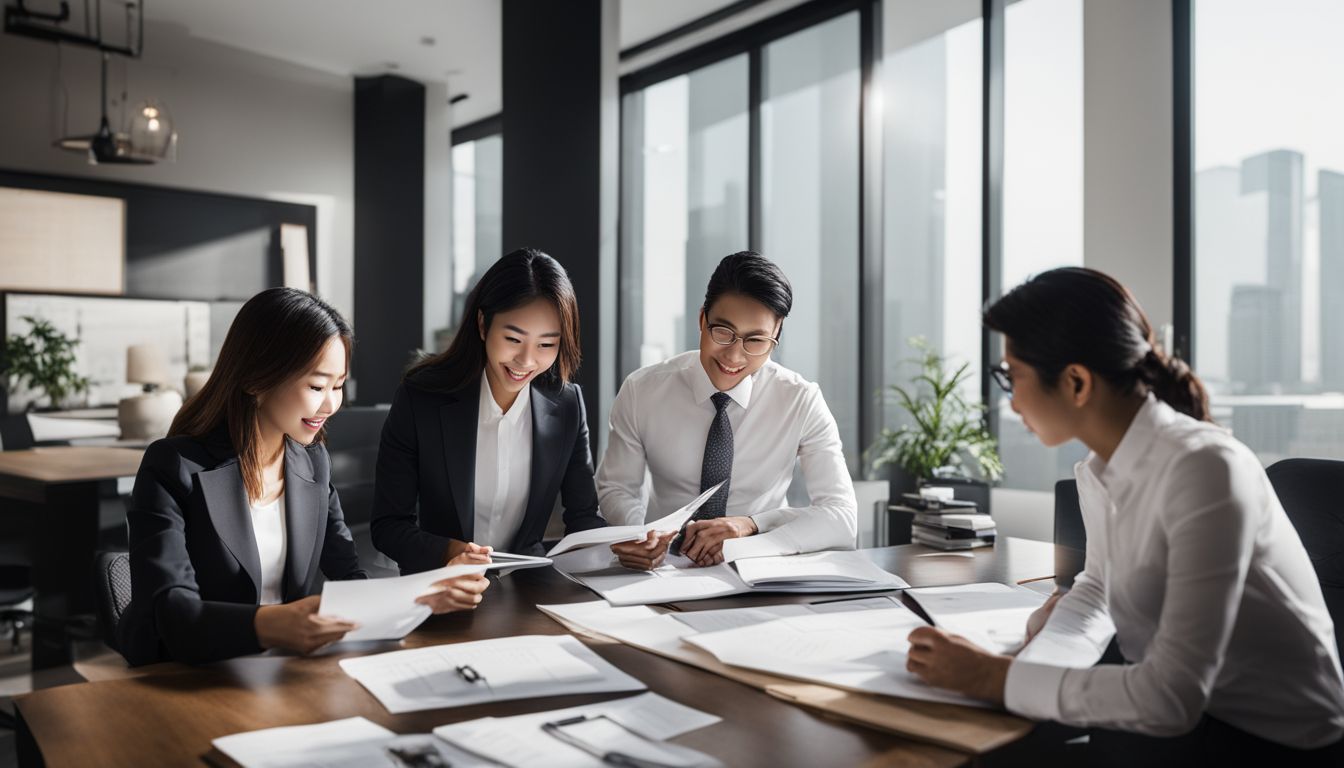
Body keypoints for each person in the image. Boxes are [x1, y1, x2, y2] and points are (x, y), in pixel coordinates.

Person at [905, 267, 1344, 765]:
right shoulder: (1098, 470)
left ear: (1075, 382)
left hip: (1274, 744)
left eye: (1012, 376)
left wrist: (994, 678)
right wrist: (1021, 671)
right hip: (1191, 722)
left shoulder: (1207, 470)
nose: (1010, 398)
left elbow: (1168, 700)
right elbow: (1096, 591)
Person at [118, 288, 486, 666]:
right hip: (181, 674)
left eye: (338, 386)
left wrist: (424, 594)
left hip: (280, 669)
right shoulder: (172, 467)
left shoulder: (312, 463)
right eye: (316, 386)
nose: (330, 404)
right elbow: (172, 612)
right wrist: (272, 625)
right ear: (256, 380)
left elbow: (348, 579)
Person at [371, 248, 607, 598]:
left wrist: (619, 546)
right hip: (440, 590)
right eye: (513, 339)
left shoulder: (566, 404)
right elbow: (388, 526)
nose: (526, 360)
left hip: (527, 593)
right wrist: (453, 552)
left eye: (546, 344)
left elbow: (583, 516)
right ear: (482, 324)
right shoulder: (422, 397)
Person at [601, 251, 857, 570]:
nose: (734, 355)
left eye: (756, 341)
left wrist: (750, 527)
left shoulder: (800, 400)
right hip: (662, 566)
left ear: (775, 339)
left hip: (761, 566)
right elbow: (616, 486)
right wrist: (642, 532)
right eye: (723, 332)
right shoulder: (643, 390)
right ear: (701, 320)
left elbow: (842, 518)